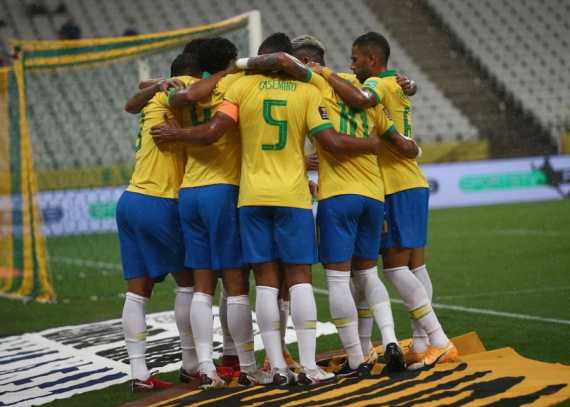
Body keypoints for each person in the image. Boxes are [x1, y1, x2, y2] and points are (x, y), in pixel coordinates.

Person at [151, 32, 381, 386]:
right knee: (300, 279)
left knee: (265, 284)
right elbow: (329, 140)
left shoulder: (240, 87)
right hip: (291, 195)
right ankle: (308, 366)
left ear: (260, 59)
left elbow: (215, 127)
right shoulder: (308, 91)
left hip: (251, 196)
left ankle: (276, 367)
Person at [242, 35, 420, 376]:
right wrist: (408, 88)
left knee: (334, 281)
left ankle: (355, 358)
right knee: (368, 273)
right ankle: (390, 340)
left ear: (305, 63)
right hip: (373, 194)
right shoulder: (361, 85)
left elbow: (330, 141)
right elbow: (397, 134)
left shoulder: (310, 89)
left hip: (335, 195)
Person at [312, 31, 458, 368]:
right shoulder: (395, 82)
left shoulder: (376, 86)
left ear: (373, 60)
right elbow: (403, 136)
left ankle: (437, 340)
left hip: (394, 185)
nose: (351, 65)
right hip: (408, 182)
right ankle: (420, 344)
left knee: (392, 269)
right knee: (413, 266)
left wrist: (324, 74)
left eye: (355, 59)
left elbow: (360, 98)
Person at [166, 37, 273, 388]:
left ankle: (205, 368)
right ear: (231, 61)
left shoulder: (186, 89)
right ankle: (247, 367)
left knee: (202, 287)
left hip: (190, 191)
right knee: (236, 284)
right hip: (223, 190)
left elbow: (170, 95)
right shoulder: (234, 84)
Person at [117, 53, 201, 392]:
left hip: (131, 199)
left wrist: (155, 84)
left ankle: (139, 374)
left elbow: (131, 101)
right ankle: (191, 365)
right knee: (190, 283)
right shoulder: (185, 90)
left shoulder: (155, 95)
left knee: (137, 293)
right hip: (161, 200)